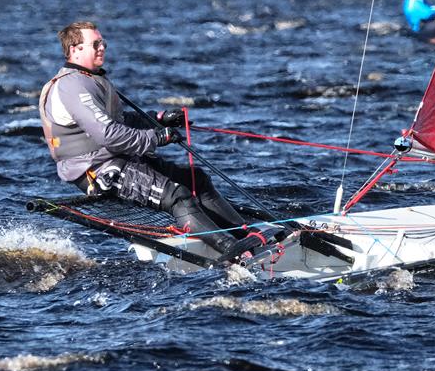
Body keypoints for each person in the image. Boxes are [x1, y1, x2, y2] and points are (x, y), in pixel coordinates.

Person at [38, 21, 278, 262]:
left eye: (104, 43)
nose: (103, 48)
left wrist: (159, 120)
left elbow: (121, 121)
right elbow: (108, 134)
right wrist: (157, 137)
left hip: (117, 158)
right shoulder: (73, 85)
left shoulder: (90, 78)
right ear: (75, 48)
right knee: (178, 196)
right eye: (96, 44)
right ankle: (234, 253)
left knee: (198, 180)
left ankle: (247, 234)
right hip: (96, 170)